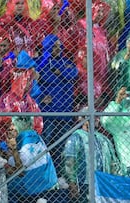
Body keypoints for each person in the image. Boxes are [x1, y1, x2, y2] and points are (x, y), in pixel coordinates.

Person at [36, 34, 78, 173]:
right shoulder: (40, 62)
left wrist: (59, 72)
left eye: (60, 46)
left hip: (65, 111)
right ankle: (45, 173)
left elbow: (74, 73)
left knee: (62, 146)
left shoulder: (66, 62)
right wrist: (41, 96)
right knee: (47, 144)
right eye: (54, 46)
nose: (58, 49)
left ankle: (59, 174)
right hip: (49, 112)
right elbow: (40, 77)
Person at [62, 107, 119, 202]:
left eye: (97, 116)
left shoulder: (104, 139)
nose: (97, 119)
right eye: (94, 116)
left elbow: (113, 162)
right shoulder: (76, 137)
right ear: (84, 119)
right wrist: (72, 183)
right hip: (84, 183)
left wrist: (115, 180)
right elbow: (69, 161)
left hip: (105, 183)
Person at [8, 116, 58, 202]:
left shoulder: (29, 138)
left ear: (21, 124)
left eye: (13, 125)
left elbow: (21, 167)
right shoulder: (26, 137)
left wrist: (11, 154)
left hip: (38, 188)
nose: (10, 128)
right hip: (39, 187)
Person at [75, 0, 112, 109]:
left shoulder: (100, 29)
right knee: (87, 98)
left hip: (100, 71)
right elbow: (80, 46)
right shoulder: (82, 25)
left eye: (102, 11)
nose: (100, 14)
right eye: (98, 11)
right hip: (86, 70)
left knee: (99, 99)